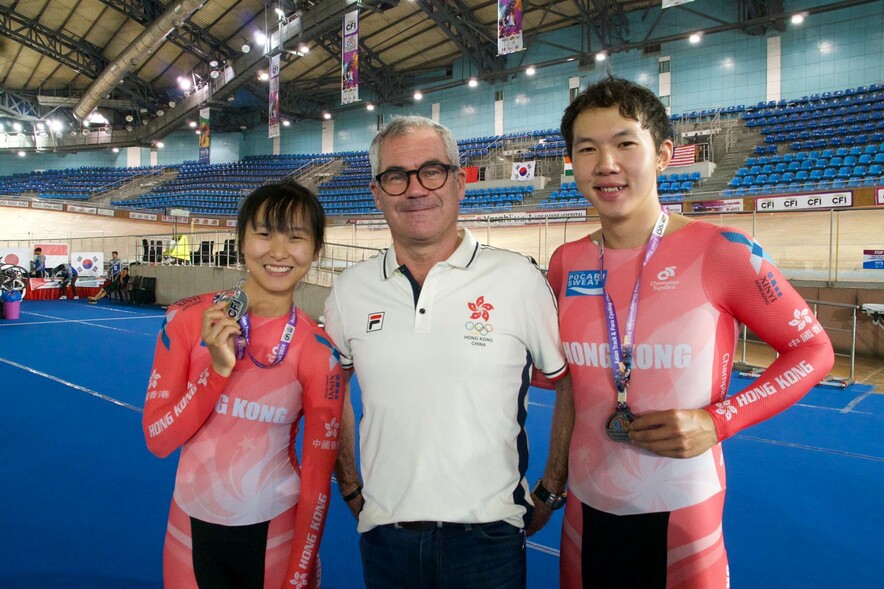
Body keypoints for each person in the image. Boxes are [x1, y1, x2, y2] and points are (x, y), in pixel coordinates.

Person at [549, 77, 835, 588]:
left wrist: (719, 420)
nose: (605, 164)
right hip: (586, 509)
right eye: (587, 149)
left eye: (624, 144)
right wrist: (551, 481)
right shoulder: (565, 262)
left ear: (662, 155)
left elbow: (813, 349)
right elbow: (567, 379)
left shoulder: (722, 250)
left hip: (683, 510)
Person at [323, 115, 573, 589]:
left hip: (490, 541)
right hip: (384, 538)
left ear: (460, 183)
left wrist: (552, 485)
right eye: (396, 176)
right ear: (377, 194)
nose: (415, 189)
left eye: (431, 171)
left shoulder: (518, 280)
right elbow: (330, 388)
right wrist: (351, 484)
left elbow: (569, 381)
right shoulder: (349, 291)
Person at [142, 181, 344, 588]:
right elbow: (158, 439)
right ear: (240, 240)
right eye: (264, 233)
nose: (279, 252)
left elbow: (318, 485)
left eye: (297, 237)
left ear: (316, 252)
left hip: (276, 536)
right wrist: (216, 371)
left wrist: (298, 573)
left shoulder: (320, 352)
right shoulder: (185, 320)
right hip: (189, 531)